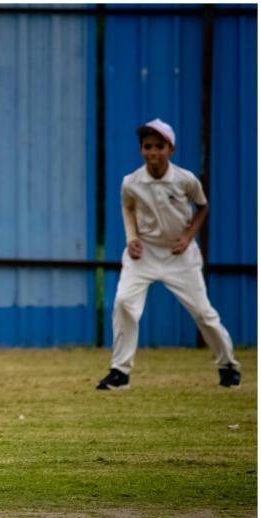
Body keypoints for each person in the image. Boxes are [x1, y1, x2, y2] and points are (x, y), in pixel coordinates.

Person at [97, 118, 241, 390]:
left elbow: (202, 207)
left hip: (180, 254)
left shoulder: (186, 180)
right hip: (144, 254)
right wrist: (132, 239)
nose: (152, 152)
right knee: (124, 303)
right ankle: (120, 372)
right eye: (147, 146)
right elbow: (127, 208)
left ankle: (228, 366)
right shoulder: (131, 182)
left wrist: (188, 237)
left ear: (170, 149)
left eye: (158, 147)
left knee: (203, 312)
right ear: (140, 149)